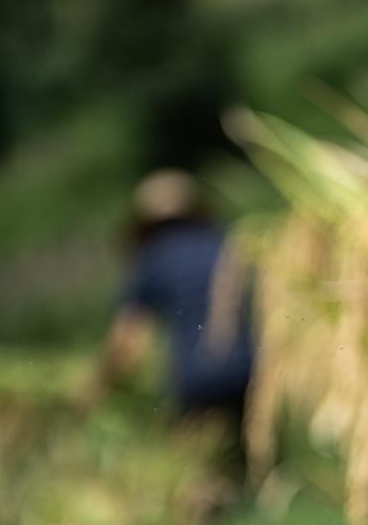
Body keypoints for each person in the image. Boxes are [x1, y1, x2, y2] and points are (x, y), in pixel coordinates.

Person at [87, 169, 255, 477]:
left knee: (202, 474)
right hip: (251, 372)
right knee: (254, 467)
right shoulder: (225, 245)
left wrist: (99, 385)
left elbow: (126, 341)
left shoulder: (153, 261)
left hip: (197, 380)